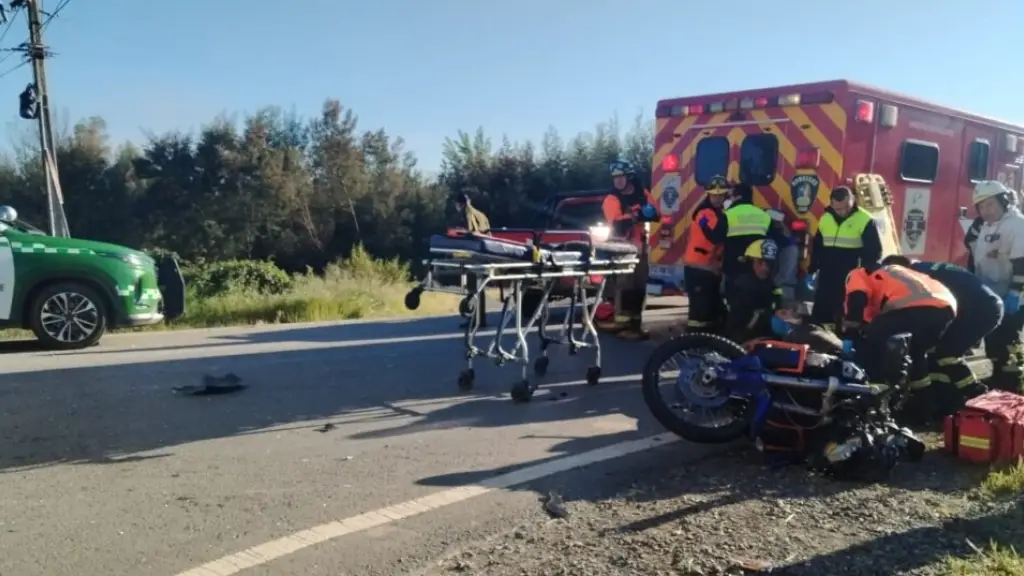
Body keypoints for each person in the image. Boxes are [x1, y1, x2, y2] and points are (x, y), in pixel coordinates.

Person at [881, 255, 1001, 412]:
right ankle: (947, 399)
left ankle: (977, 395)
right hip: (985, 305)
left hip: (977, 309)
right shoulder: (930, 267)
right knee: (938, 352)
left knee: (946, 355)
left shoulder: (915, 276)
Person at [841, 263, 957, 425]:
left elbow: (857, 298)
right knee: (916, 355)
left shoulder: (858, 273)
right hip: (944, 309)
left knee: (873, 348)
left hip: (914, 305)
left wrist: (851, 329)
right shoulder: (896, 274)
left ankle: (873, 401)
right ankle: (923, 412)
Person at [965, 180, 1024, 392]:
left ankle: (1013, 389)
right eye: (981, 206)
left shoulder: (1017, 225)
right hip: (991, 296)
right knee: (993, 344)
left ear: (1004, 201)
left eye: (991, 204)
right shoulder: (983, 225)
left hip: (1013, 297)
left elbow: (1021, 264)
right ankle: (998, 383)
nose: (986, 210)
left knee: (1008, 344)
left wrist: (1015, 293)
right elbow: (972, 251)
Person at [808, 186, 882, 332]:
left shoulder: (865, 220)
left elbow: (874, 252)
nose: (842, 212)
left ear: (852, 200)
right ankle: (819, 334)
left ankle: (842, 336)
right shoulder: (825, 218)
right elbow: (818, 246)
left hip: (850, 274)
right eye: (838, 209)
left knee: (844, 309)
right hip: (827, 272)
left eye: (846, 207)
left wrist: (865, 274)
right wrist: (813, 268)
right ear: (831, 204)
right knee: (822, 306)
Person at [599, 159, 658, 340]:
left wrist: (645, 213)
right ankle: (621, 324)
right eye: (615, 177)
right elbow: (618, 224)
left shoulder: (643, 193)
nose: (618, 181)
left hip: (641, 248)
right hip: (622, 249)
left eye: (621, 177)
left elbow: (656, 213)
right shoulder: (611, 199)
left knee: (640, 287)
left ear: (629, 177)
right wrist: (637, 214)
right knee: (625, 287)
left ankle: (635, 324)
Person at [682, 175, 729, 332]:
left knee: (709, 309)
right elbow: (714, 236)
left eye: (721, 195)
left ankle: (706, 338)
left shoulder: (718, 212)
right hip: (698, 267)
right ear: (708, 194)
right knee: (699, 312)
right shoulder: (705, 213)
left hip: (708, 268)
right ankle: (694, 339)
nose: (717, 198)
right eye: (714, 195)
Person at [721, 238, 785, 344]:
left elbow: (776, 308)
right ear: (749, 262)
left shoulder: (773, 287)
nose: (765, 268)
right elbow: (739, 321)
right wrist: (770, 317)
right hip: (742, 342)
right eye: (760, 262)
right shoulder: (739, 286)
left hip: (766, 340)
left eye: (769, 264)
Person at [719, 183, 770, 295]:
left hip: (734, 264)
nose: (730, 199)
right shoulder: (763, 215)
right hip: (757, 265)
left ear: (738, 197)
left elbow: (717, 237)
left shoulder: (728, 214)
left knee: (734, 296)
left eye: (732, 196)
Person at [454, 191, 491, 329]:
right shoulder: (479, 213)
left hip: (476, 252)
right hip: (485, 251)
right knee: (480, 286)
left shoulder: (467, 212)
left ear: (459, 204)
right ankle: (481, 319)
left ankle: (474, 319)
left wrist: (458, 234)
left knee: (472, 286)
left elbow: (471, 231)